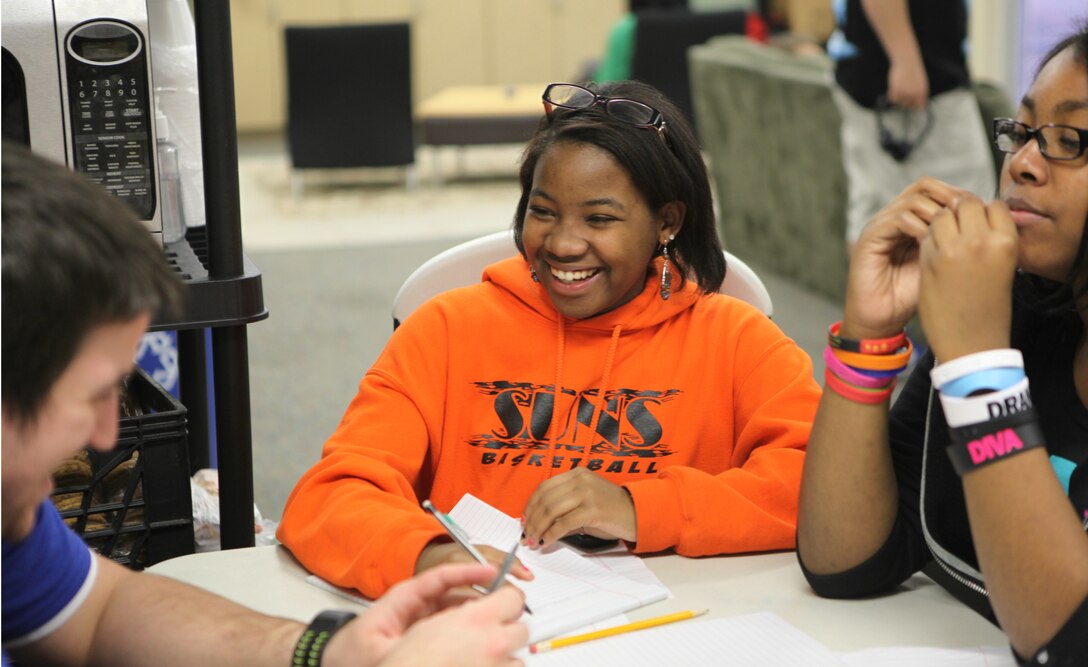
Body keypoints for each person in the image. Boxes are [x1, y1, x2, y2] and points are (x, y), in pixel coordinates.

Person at [277, 80, 821, 599]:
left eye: (600, 218)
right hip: (491, 624)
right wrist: (425, 556)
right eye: (542, 211)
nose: (562, 244)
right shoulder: (444, 330)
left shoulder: (736, 338)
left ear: (667, 222)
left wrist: (643, 507)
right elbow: (329, 497)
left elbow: (825, 492)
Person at [0, 142, 528, 667]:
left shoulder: (11, 516)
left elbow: (101, 611)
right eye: (92, 394)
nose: (105, 436)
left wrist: (332, 651)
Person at [796, 23, 1088, 665]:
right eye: (1023, 132)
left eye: (1069, 141)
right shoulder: (1019, 304)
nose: (1023, 162)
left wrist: (979, 364)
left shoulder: (986, 326)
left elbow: (1067, 643)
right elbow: (844, 559)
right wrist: (869, 335)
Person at [828, 0, 995, 247]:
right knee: (968, 215)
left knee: (874, 214)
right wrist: (904, 59)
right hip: (917, 88)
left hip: (878, 71)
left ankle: (869, 286)